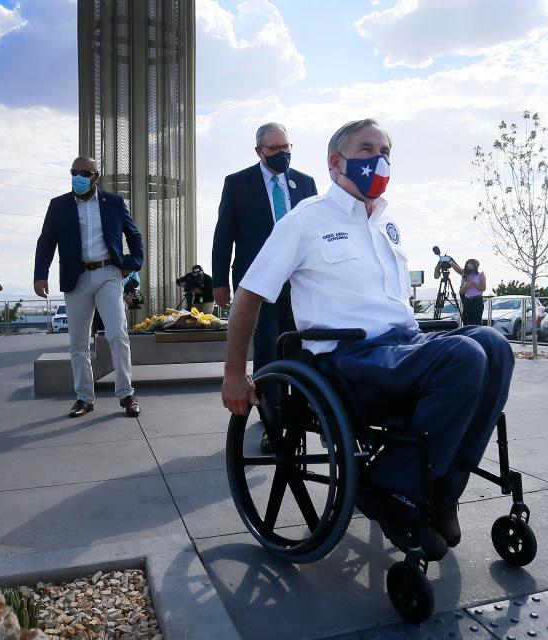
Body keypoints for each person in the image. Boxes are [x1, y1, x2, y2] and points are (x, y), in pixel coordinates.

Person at [221, 119, 515, 562]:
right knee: (465, 355)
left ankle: (443, 488)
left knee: (494, 344)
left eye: (384, 151)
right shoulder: (307, 219)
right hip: (349, 357)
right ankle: (393, 485)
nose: (377, 159)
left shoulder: (388, 221)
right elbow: (249, 294)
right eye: (365, 149)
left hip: (403, 346)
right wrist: (233, 373)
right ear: (335, 161)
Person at [212, 122, 318, 452]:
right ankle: (273, 424)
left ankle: (300, 415)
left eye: (286, 147)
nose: (282, 154)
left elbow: (316, 230)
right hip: (258, 284)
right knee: (268, 349)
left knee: (301, 347)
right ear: (259, 151)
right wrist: (218, 282)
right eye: (274, 149)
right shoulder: (238, 183)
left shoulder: (305, 182)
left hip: (299, 282)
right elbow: (223, 234)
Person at [34, 156, 144, 418]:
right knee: (78, 343)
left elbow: (134, 234)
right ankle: (84, 398)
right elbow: (46, 241)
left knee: (117, 334)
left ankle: (126, 394)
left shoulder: (114, 202)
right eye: (74, 172)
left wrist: (132, 263)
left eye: (84, 173)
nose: (78, 177)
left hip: (108, 274)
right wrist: (40, 275)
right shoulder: (58, 205)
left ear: (96, 176)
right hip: (76, 278)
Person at [453, 258, 486, 325]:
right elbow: (461, 291)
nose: (469, 268)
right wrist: (465, 285)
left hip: (477, 300)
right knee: (467, 322)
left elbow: (483, 288)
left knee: (476, 322)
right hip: (467, 300)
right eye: (468, 266)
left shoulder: (481, 275)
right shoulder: (465, 276)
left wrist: (472, 283)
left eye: (471, 266)